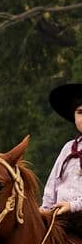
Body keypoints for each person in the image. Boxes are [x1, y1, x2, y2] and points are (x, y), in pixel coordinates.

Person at [40, 83, 82, 215]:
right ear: (74, 116)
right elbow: (52, 183)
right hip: (59, 218)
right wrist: (45, 209)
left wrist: (73, 205)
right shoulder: (68, 148)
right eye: (80, 112)